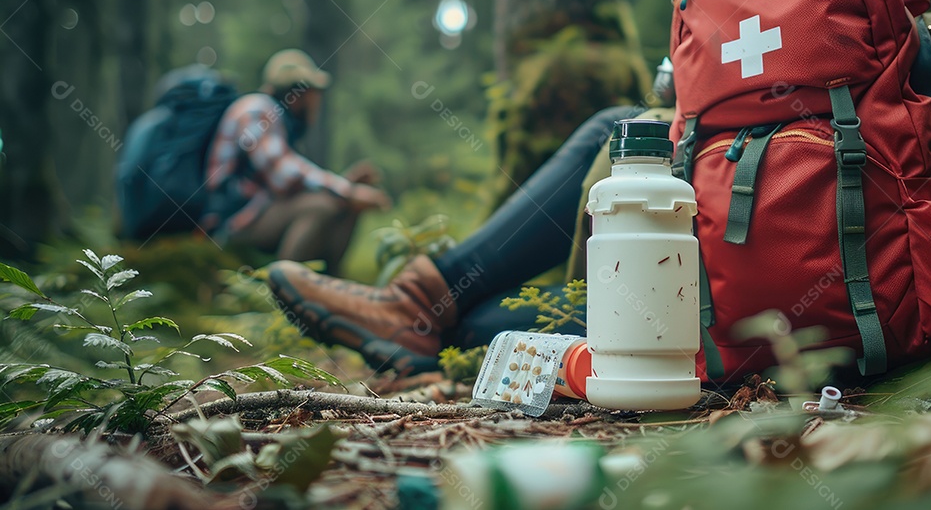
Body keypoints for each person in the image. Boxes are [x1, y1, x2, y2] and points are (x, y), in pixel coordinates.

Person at [267, 104, 648, 373]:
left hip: (668, 317)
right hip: (642, 299)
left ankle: (414, 311)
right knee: (468, 324)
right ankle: (416, 317)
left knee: (618, 127)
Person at [205, 49, 391, 275]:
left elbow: (290, 181)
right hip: (236, 220)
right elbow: (283, 176)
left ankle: (328, 282)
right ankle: (285, 286)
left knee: (341, 203)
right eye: (313, 94)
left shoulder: (279, 119)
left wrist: (346, 187)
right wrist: (347, 190)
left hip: (258, 212)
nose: (316, 102)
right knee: (322, 206)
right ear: (298, 94)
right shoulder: (257, 110)